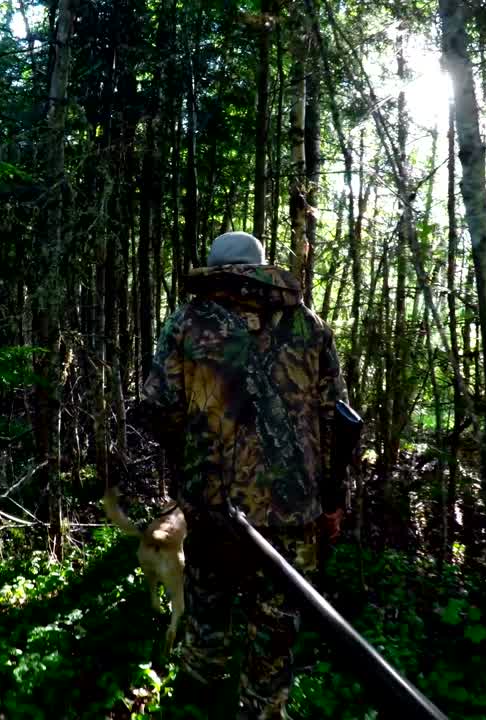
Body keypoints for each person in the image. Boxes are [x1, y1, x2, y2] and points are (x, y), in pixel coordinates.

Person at [138, 231, 348, 719]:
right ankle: (261, 707)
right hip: (293, 514)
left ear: (214, 267)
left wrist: (192, 462)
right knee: (275, 632)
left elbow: (159, 407)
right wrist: (335, 497)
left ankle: (198, 695)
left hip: (212, 509)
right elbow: (333, 415)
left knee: (207, 608)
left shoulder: (186, 324)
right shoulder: (308, 326)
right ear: (260, 266)